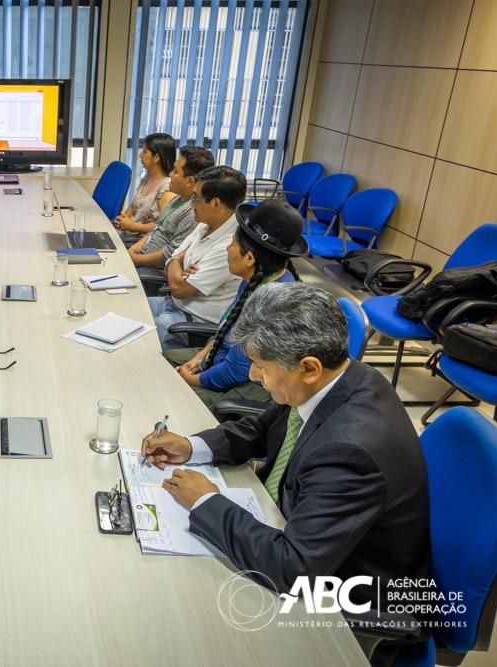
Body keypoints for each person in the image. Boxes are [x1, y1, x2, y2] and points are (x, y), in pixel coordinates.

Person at [142, 282, 430, 662]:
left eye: (261, 365)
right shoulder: (339, 377)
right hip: (303, 530)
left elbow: (292, 568)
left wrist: (206, 500)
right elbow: (263, 430)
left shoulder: (351, 449)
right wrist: (193, 446)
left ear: (308, 367)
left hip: (345, 591)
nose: (255, 376)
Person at [163, 199, 305, 412]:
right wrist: (198, 360)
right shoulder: (259, 277)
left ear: (249, 258)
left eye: (232, 245)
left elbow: (235, 370)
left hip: (252, 386)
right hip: (224, 359)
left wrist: (191, 379)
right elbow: (226, 329)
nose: (227, 249)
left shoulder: (270, 301)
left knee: (171, 397)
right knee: (162, 362)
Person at [146, 165, 246, 349]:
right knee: (129, 309)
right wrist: (178, 261)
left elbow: (178, 288)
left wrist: (178, 261)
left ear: (215, 204)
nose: (191, 203)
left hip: (193, 321)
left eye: (195, 198)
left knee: (138, 343)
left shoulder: (230, 244)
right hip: (173, 304)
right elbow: (170, 263)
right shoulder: (205, 223)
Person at [128, 145, 214, 274]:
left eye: (175, 171)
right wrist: (133, 250)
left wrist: (137, 259)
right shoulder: (178, 199)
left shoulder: (193, 211)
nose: (170, 174)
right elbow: (156, 230)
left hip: (152, 271)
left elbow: (171, 254)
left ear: (190, 181)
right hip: (141, 259)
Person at [112, 133, 177, 244]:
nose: (141, 155)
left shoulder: (167, 189)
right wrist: (121, 221)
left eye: (145, 151)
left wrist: (132, 226)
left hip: (139, 241)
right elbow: (133, 206)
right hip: (127, 233)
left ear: (157, 157)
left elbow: (163, 227)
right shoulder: (148, 177)